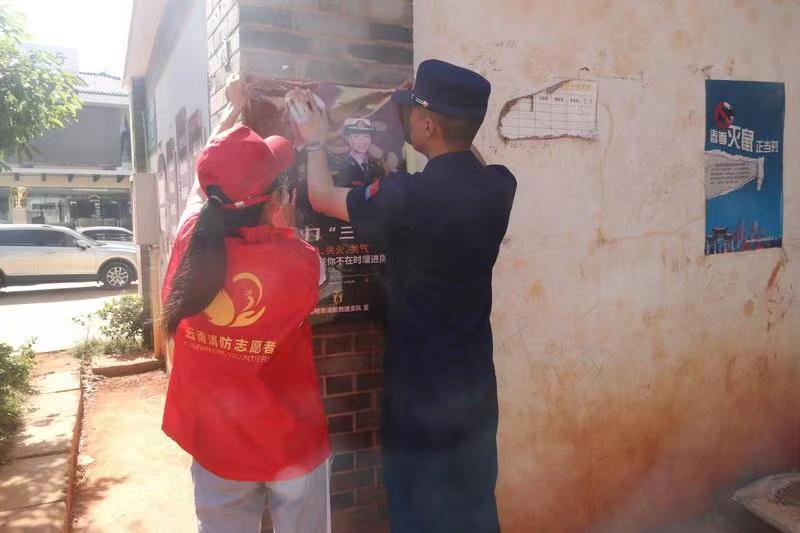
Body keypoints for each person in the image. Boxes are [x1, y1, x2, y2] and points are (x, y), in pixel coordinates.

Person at [287, 59, 517, 532]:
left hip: (419, 394)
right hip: (474, 386)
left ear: (428, 124)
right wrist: (439, 112)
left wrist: (313, 138)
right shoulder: (500, 185)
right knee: (474, 505)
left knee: (418, 509)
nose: (406, 117)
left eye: (413, 112)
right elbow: (466, 158)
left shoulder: (406, 196)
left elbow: (321, 197)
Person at [161, 78, 331, 533]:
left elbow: (204, 188)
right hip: (291, 446)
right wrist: (314, 144)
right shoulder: (302, 263)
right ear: (276, 199)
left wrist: (231, 112)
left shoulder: (187, 240)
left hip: (216, 441)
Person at [332, 118, 385, 188]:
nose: (362, 141)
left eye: (366, 136)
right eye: (356, 136)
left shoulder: (377, 166)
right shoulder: (341, 168)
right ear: (348, 139)